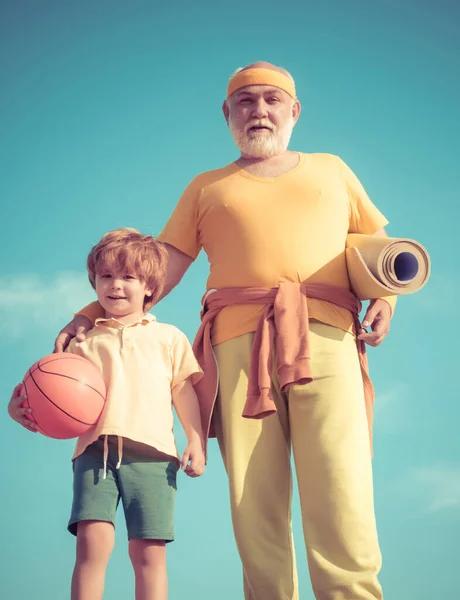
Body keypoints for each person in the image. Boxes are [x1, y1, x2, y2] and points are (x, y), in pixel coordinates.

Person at [52, 62, 397, 600]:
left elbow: (381, 251)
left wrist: (390, 299)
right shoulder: (206, 187)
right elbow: (153, 272)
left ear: (294, 110)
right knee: (252, 501)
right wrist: (86, 314)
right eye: (246, 101)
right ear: (228, 113)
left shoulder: (333, 170)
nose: (259, 111)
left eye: (271, 100)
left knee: (341, 488)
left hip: (328, 339)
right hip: (237, 349)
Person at [8, 228, 205, 600]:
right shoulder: (80, 343)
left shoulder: (168, 337)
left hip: (155, 456)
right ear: (95, 283)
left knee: (148, 554)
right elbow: (45, 392)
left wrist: (195, 439)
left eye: (129, 277)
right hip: (93, 454)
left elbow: (183, 390)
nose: (116, 286)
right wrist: (16, 409)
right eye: (106, 277)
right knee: (90, 547)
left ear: (150, 287)